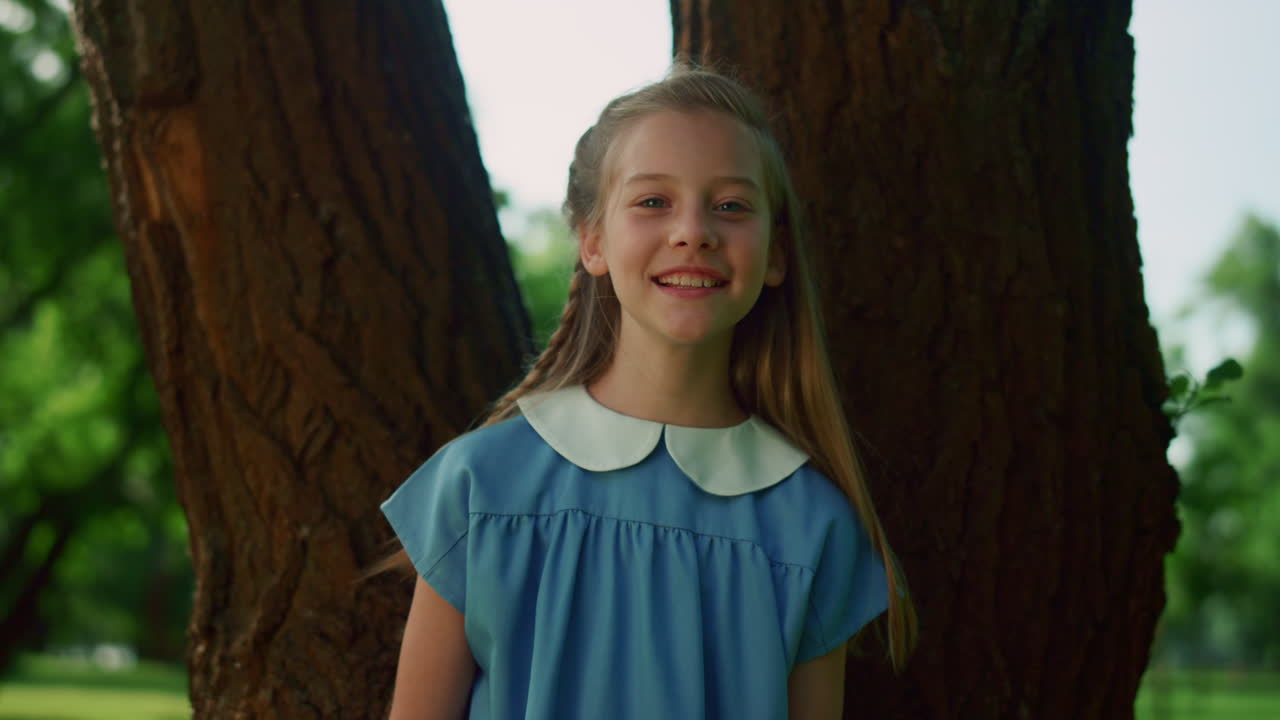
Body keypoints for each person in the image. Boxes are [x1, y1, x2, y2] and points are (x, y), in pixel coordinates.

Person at [379, 63, 917, 719]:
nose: (693, 230)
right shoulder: (481, 485)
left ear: (776, 254)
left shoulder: (812, 526)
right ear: (593, 240)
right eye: (653, 201)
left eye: (731, 206)